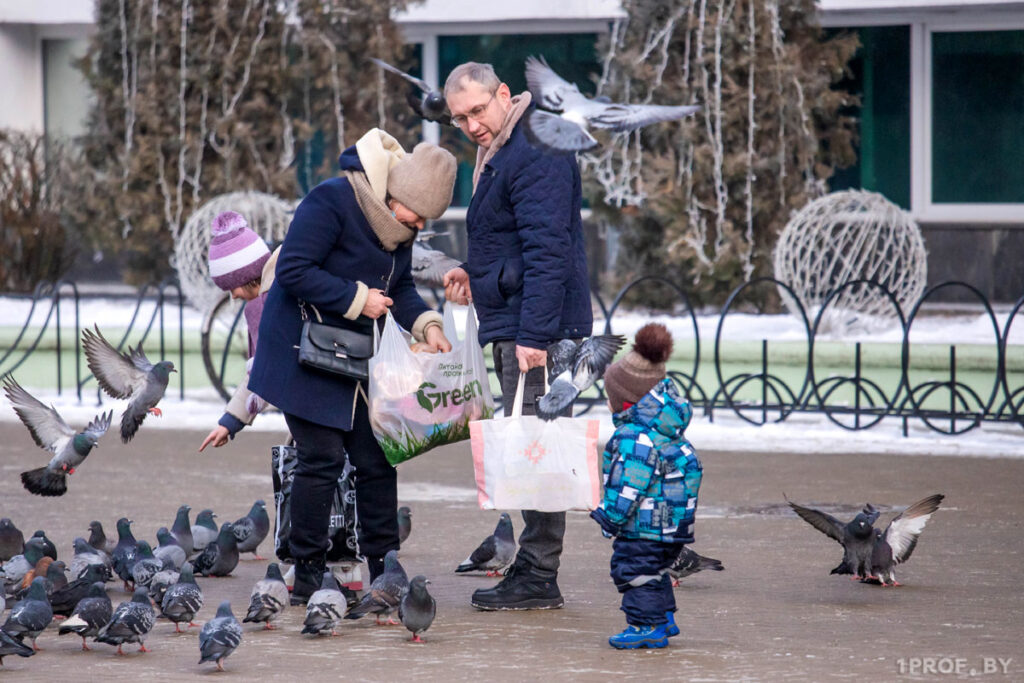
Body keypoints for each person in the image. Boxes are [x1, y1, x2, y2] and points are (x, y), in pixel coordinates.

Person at [248, 129, 456, 603]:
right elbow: (295, 269)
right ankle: (307, 574)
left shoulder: (396, 227)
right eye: (418, 214)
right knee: (321, 459)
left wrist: (427, 326)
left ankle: (387, 570)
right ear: (396, 194)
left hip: (356, 359)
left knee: (379, 457)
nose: (419, 226)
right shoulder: (332, 200)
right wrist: (357, 300)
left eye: (427, 219)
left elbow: (399, 287)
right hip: (303, 351)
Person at [442, 62, 593, 610]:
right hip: (525, 321)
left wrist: (535, 335)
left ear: (503, 95)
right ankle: (533, 570)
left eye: (478, 110)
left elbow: (547, 249)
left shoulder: (534, 148)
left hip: (540, 332)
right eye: (460, 118)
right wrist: (471, 271)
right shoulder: (505, 147)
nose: (471, 125)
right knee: (532, 449)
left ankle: (537, 575)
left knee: (541, 450)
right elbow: (509, 238)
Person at [590, 323, 703, 649]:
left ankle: (645, 627)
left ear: (625, 402)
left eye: (610, 397)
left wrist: (609, 516)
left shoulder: (633, 437)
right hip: (671, 526)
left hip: (644, 526)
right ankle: (664, 618)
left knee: (631, 571)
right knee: (653, 571)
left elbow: (629, 486)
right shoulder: (667, 432)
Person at [198, 210, 279, 453]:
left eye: (232, 287)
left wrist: (230, 422)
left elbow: (264, 366)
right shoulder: (272, 295)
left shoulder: (267, 306)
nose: (233, 296)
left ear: (248, 275)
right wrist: (230, 422)